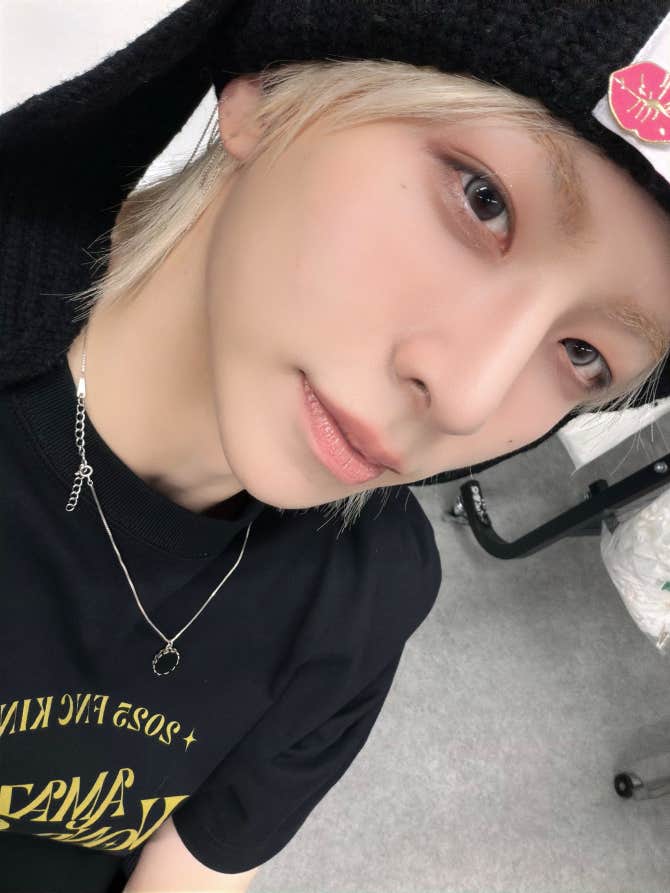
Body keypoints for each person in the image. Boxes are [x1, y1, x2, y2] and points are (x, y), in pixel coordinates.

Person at [1, 1, 670, 891]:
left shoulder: (369, 593)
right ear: (266, 91)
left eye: (584, 354)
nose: (467, 397)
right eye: (484, 200)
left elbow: (197, 866)